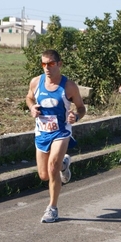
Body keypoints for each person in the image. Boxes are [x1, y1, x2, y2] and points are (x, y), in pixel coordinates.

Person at [25, 49, 86, 223]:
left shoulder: (69, 86)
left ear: (59, 64)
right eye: (43, 64)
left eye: (50, 63)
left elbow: (81, 108)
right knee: (44, 175)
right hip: (42, 132)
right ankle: (64, 165)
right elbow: (29, 98)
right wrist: (31, 107)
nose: (46, 67)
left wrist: (76, 116)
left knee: (52, 167)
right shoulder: (36, 82)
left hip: (61, 131)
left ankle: (52, 208)